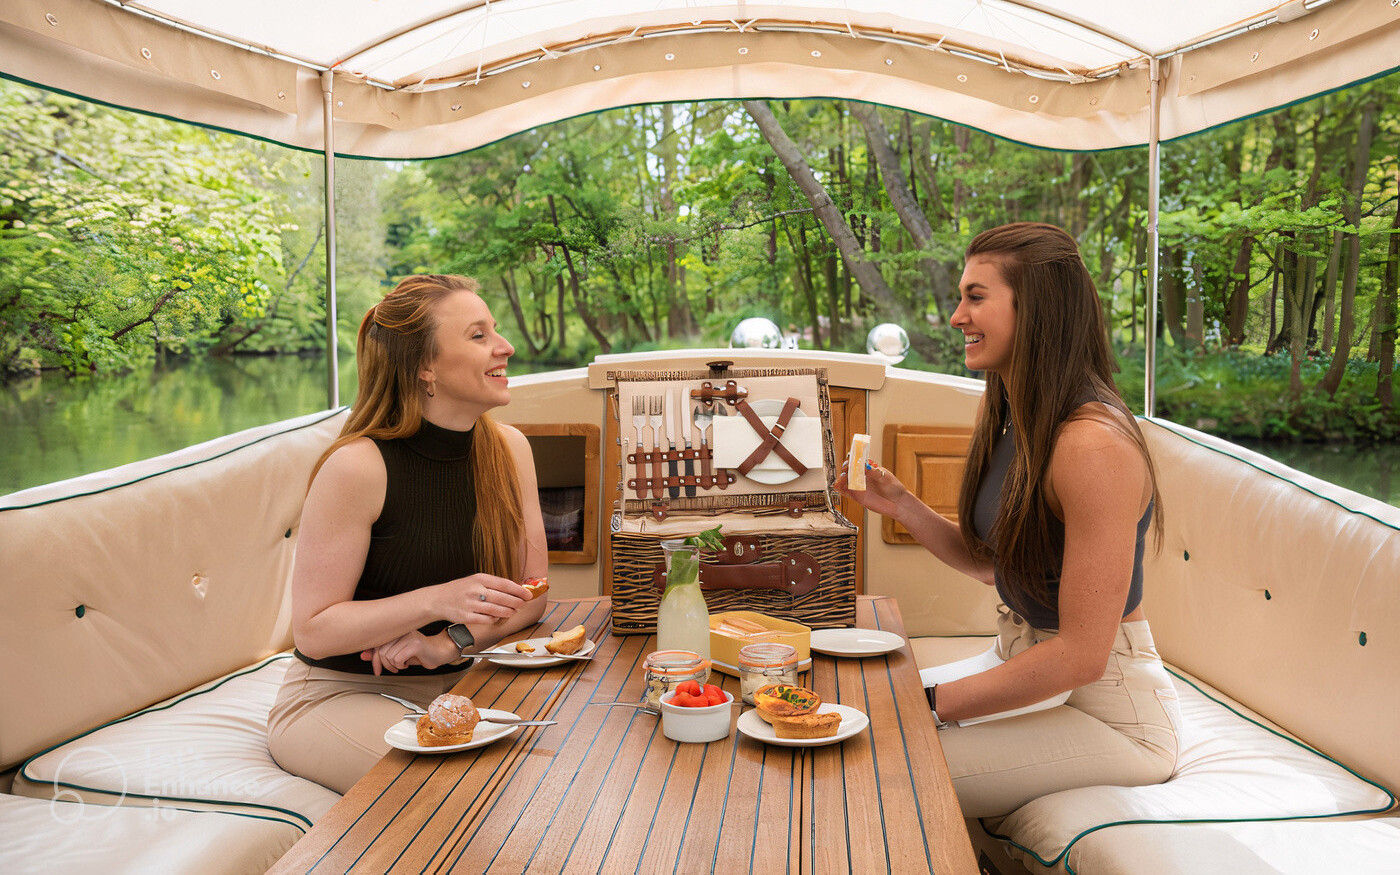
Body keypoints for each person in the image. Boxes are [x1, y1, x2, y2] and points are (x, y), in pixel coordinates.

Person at [837, 223, 1181, 818]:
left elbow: (1081, 657)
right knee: (852, 714)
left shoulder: (1092, 445)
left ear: (1038, 309)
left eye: (975, 297)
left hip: (1112, 713)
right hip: (1025, 659)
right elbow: (993, 567)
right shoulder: (1018, 417)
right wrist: (901, 505)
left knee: (877, 772)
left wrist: (928, 701)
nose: (955, 316)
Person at [267, 274, 548, 795]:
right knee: (465, 789)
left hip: (459, 682)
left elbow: (530, 595)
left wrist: (448, 643)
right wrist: (437, 600)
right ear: (424, 369)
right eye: (478, 335)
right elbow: (314, 630)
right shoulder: (358, 466)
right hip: (336, 695)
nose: (505, 347)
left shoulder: (510, 450)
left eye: (496, 331)